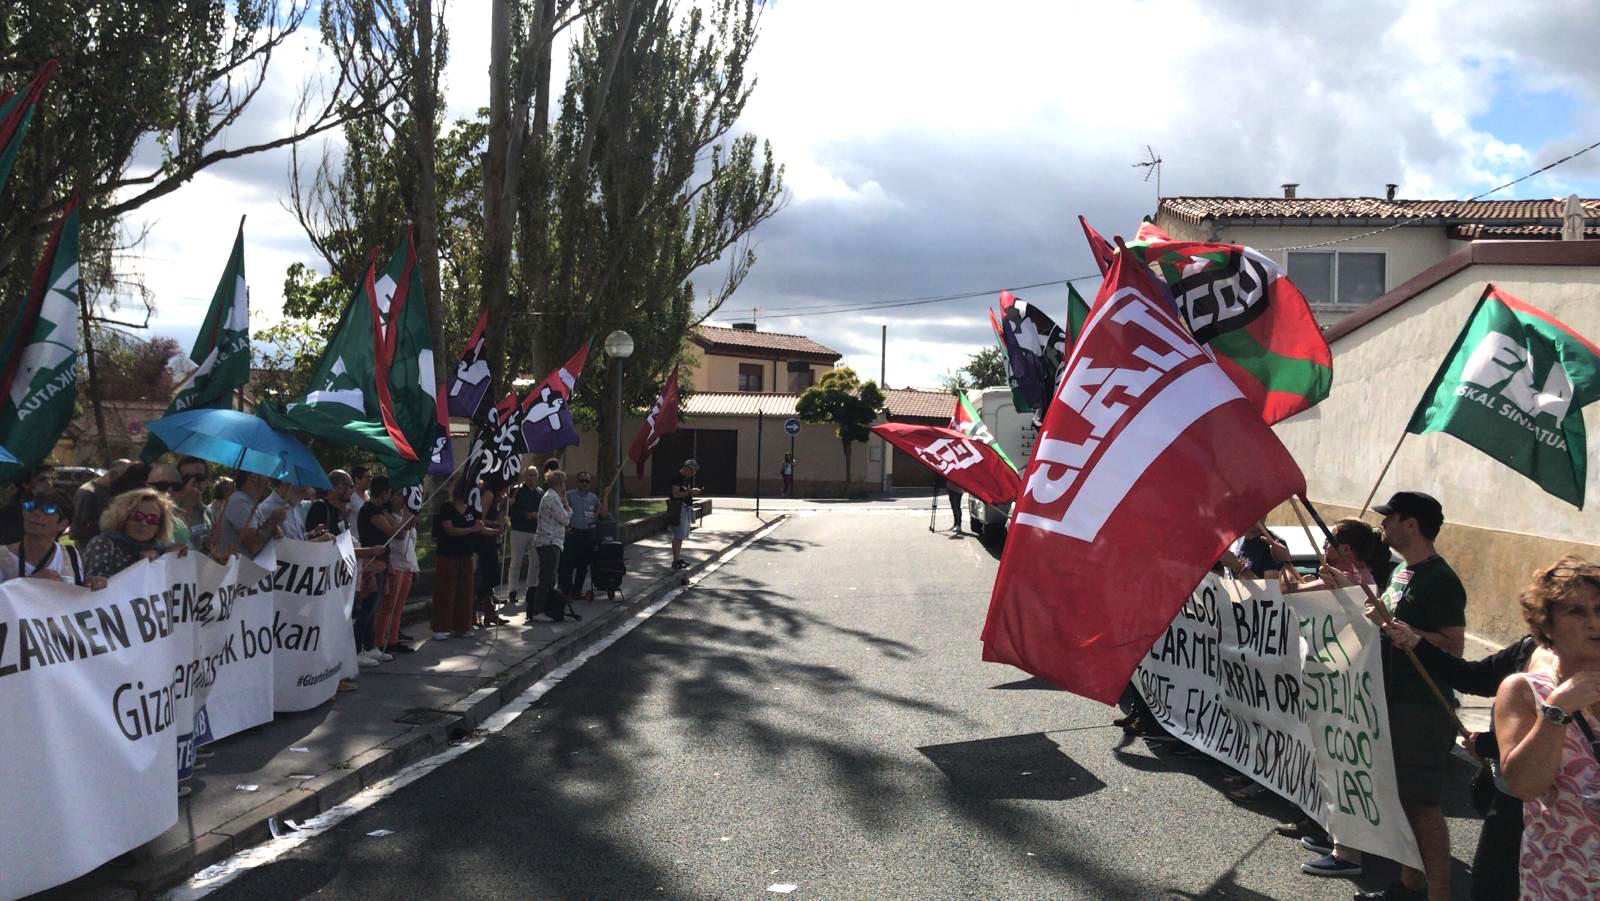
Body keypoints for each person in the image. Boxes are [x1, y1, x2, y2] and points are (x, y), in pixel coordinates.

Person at [1352, 491, 1465, 901]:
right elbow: (1387, 622)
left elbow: (1454, 647)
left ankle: (1440, 894)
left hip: (1422, 706)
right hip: (1393, 699)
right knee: (1402, 799)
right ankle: (1409, 883)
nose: (1383, 524)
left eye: (1391, 518)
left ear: (1411, 525)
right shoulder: (1402, 571)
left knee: (1421, 803)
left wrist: (1409, 633)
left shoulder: (1441, 580)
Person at [1387, 622, 1541, 901]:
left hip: (1556, 812)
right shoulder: (1527, 648)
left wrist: (1488, 744)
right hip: (1508, 800)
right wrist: (1415, 643)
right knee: (1489, 888)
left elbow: (1557, 740)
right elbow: (1473, 677)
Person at [1493, 556, 1600, 901]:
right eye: (1576, 612)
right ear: (1547, 625)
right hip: (1562, 882)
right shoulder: (1525, 692)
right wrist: (1558, 710)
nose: (1594, 622)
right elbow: (1524, 785)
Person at [0, 486, 100, 587]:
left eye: (48, 509)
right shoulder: (3, 557)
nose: (36, 513)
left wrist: (89, 586)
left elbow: (76, 593)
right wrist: (30, 582)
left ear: (62, 524)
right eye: (30, 506)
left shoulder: (71, 554)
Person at [81, 488, 184, 581]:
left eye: (152, 519)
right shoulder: (103, 544)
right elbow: (96, 588)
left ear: (159, 526)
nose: (143, 523)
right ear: (122, 517)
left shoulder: (163, 551)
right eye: (137, 516)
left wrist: (177, 558)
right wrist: (139, 567)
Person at [353, 477, 396, 665]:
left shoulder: (378, 510)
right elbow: (393, 532)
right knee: (367, 607)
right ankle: (357, 649)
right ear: (385, 492)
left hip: (381, 562)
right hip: (372, 563)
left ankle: (370, 646)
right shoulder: (370, 510)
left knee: (374, 607)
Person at [431, 486, 481, 640]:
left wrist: (496, 529)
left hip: (466, 555)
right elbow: (450, 529)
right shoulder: (446, 508)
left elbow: (479, 527)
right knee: (446, 590)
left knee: (465, 592)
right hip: (448, 555)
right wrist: (471, 529)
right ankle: (440, 627)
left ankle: (462, 626)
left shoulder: (472, 509)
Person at [377, 488, 419, 655]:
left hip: (407, 564)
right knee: (388, 606)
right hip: (395, 563)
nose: (402, 498)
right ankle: (380, 641)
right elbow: (398, 534)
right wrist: (407, 518)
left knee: (399, 606)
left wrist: (414, 566)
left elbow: (412, 542)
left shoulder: (406, 515)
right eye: (398, 495)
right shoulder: (386, 515)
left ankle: (393, 639)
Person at [529, 469, 571, 623]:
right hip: (549, 542)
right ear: (560, 484)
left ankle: (546, 607)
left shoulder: (553, 497)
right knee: (546, 578)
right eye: (564, 483)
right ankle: (538, 610)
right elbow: (565, 519)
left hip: (551, 541)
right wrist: (567, 505)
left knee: (550, 578)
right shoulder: (552, 498)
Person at [560, 471, 604, 600]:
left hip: (587, 534)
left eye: (587, 481)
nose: (584, 483)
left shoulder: (593, 498)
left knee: (583, 565)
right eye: (582, 481)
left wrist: (606, 496)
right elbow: (562, 511)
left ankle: (577, 592)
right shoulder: (569, 495)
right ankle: (567, 591)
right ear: (577, 482)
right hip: (573, 533)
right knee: (568, 564)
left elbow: (601, 512)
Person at [473, 474, 509, 627]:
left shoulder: (498, 497)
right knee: (484, 577)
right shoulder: (488, 494)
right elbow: (479, 519)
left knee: (491, 576)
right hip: (484, 540)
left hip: (492, 540)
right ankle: (473, 612)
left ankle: (489, 612)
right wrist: (495, 524)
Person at [506, 466, 543, 609]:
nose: (531, 478)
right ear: (525, 476)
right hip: (519, 530)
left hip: (535, 531)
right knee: (516, 561)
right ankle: (512, 591)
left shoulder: (540, 492)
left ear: (537, 477)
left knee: (535, 562)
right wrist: (524, 515)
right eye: (529, 475)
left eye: (534, 475)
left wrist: (536, 515)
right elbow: (510, 511)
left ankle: (531, 590)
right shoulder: (517, 490)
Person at [71, 458, 130, 544]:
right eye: (124, 479)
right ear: (113, 474)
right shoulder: (87, 493)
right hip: (89, 546)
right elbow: (77, 529)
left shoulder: (112, 491)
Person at [213, 471, 268, 558]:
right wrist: (273, 521)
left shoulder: (249, 502)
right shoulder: (239, 501)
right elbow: (254, 544)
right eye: (266, 474)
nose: (269, 478)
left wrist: (272, 528)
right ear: (253, 477)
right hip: (237, 566)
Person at [0, 465, 52, 545]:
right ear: (25, 484)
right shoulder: (10, 511)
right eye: (42, 480)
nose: (49, 483)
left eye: (50, 479)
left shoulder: (49, 507)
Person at [168, 458, 212, 551]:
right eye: (186, 478)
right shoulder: (165, 511)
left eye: (199, 478)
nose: (193, 482)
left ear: (206, 482)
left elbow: (207, 550)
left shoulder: (208, 513)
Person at [668, 459, 699, 569]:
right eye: (692, 471)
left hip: (685, 508)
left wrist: (692, 492)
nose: (692, 474)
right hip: (678, 508)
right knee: (678, 535)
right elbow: (675, 494)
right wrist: (689, 492)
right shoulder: (677, 478)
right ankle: (675, 560)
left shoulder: (685, 479)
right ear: (686, 468)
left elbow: (686, 492)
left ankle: (678, 558)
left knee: (681, 535)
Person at [306, 470, 355, 537]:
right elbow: (307, 539)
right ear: (339, 487)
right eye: (350, 486)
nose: (352, 491)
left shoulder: (340, 511)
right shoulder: (320, 507)